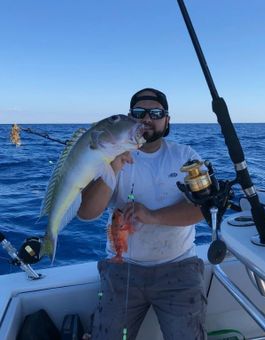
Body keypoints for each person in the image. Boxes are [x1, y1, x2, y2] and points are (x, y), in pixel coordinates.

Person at [78, 88, 208, 340]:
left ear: (167, 119)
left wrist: (153, 216)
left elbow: (201, 209)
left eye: (156, 113)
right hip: (121, 267)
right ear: (129, 118)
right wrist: (112, 166)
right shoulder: (109, 158)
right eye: (139, 113)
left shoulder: (186, 156)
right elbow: (86, 213)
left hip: (179, 268)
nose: (147, 119)